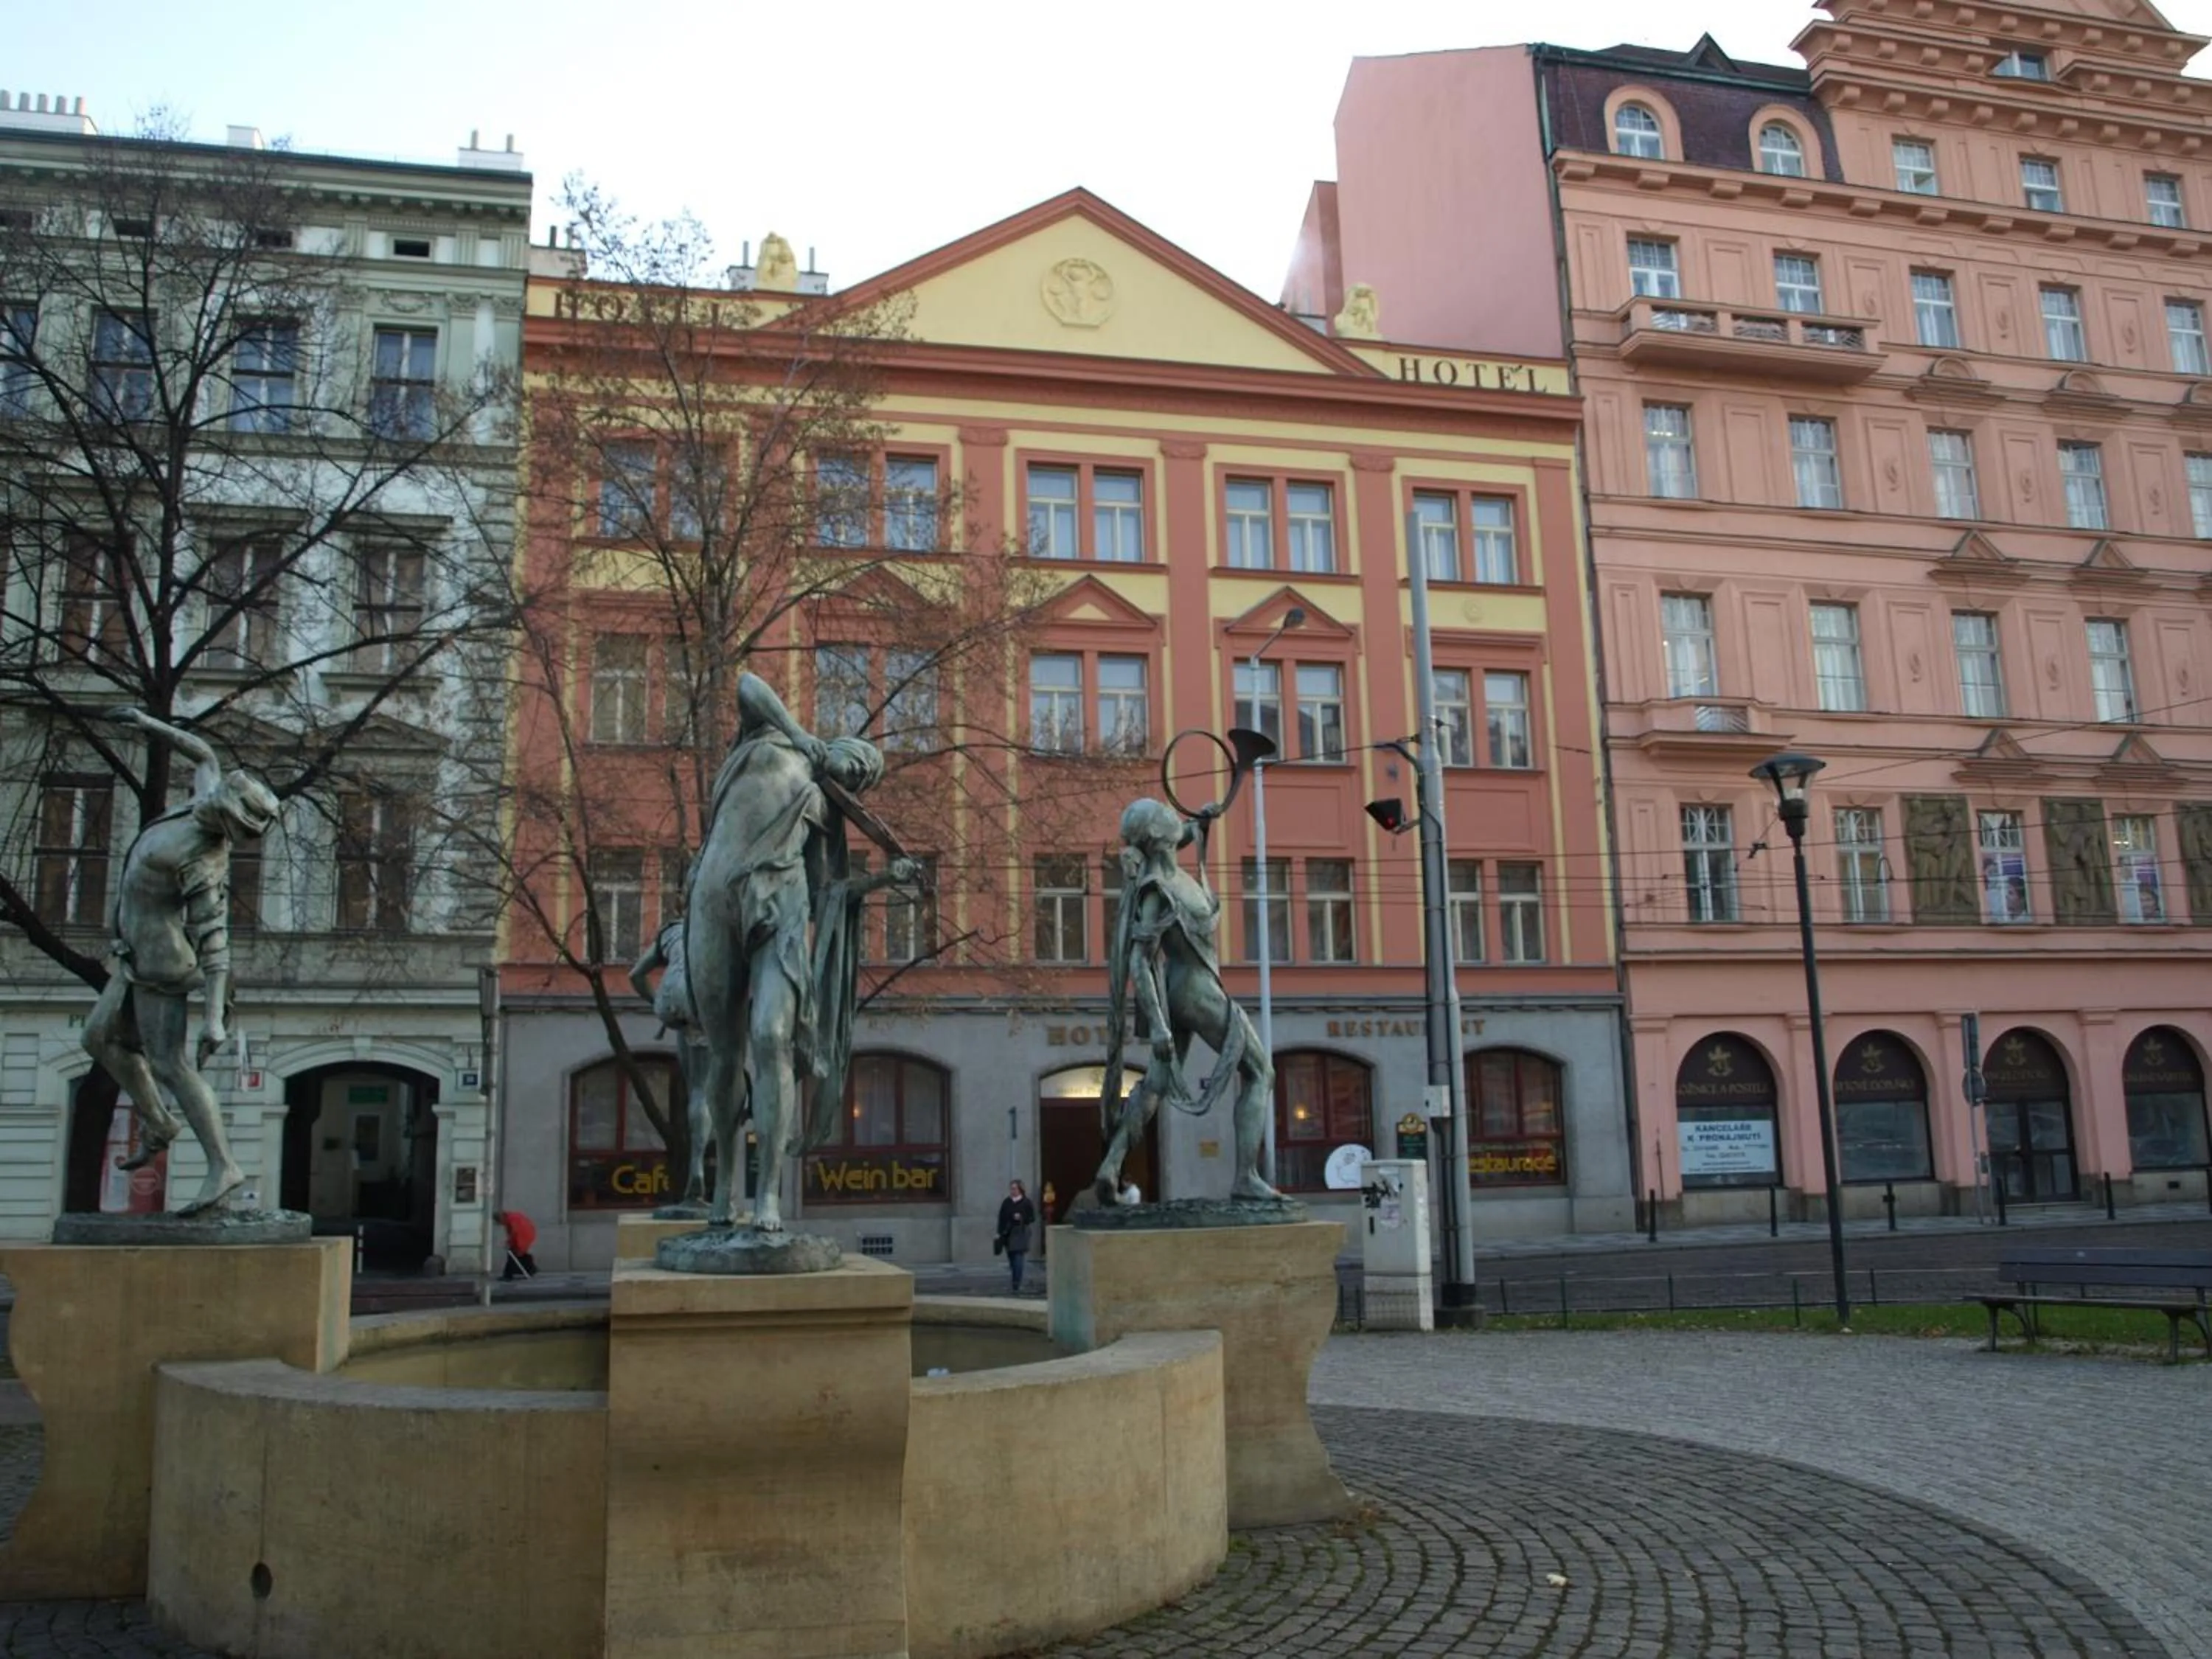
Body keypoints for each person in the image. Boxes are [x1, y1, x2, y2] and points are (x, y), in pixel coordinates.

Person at [83, 709, 279, 1215]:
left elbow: (216, 944)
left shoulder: (202, 856)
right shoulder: (200, 802)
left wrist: (214, 1017)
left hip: (162, 967)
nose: (230, 829)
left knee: (171, 1064)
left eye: (237, 827)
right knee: (97, 1038)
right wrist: (148, 724)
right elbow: (204, 752)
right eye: (233, 818)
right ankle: (160, 1121)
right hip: (131, 956)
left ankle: (223, 1165)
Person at [1093, 798, 1279, 1206]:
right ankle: (1246, 1176)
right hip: (1194, 991)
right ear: (1159, 838)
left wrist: (1201, 823)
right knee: (1261, 1072)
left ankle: (1110, 1165)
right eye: (1169, 818)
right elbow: (1141, 962)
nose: (1178, 821)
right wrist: (1158, 1027)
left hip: (1182, 987)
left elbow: (1183, 837)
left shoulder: (1169, 871)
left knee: (1156, 1084)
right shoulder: (1157, 889)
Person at [996, 1180, 1037, 1294]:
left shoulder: (1026, 1202)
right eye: (1011, 1189)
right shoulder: (1007, 1202)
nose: (1013, 1191)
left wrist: (1022, 1217)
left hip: (1020, 1232)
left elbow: (1032, 1218)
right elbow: (1001, 1218)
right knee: (1011, 1258)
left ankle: (1016, 1283)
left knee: (1018, 1257)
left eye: (1015, 1189)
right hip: (1008, 1233)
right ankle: (1015, 1279)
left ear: (1020, 1190)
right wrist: (999, 1232)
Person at [495, 1209, 538, 1279]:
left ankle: (508, 1275)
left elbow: (514, 1232)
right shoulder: (514, 1216)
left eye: (500, 1222)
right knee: (520, 1254)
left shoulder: (511, 1220)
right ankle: (531, 1268)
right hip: (528, 1234)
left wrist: (510, 1242)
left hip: (523, 1236)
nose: (501, 1224)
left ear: (502, 1218)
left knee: (512, 1254)